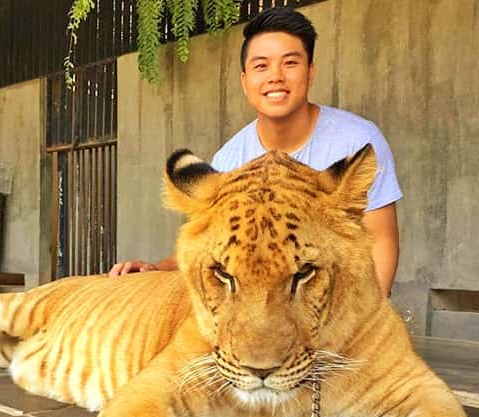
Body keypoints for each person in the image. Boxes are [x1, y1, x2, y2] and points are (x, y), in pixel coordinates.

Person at [110, 7, 401, 297]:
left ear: (310, 72)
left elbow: (380, 241)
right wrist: (153, 269)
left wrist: (363, 323)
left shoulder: (357, 143)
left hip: (332, 306)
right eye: (261, 66)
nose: (275, 76)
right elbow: (209, 246)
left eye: (290, 63)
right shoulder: (230, 160)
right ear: (245, 81)